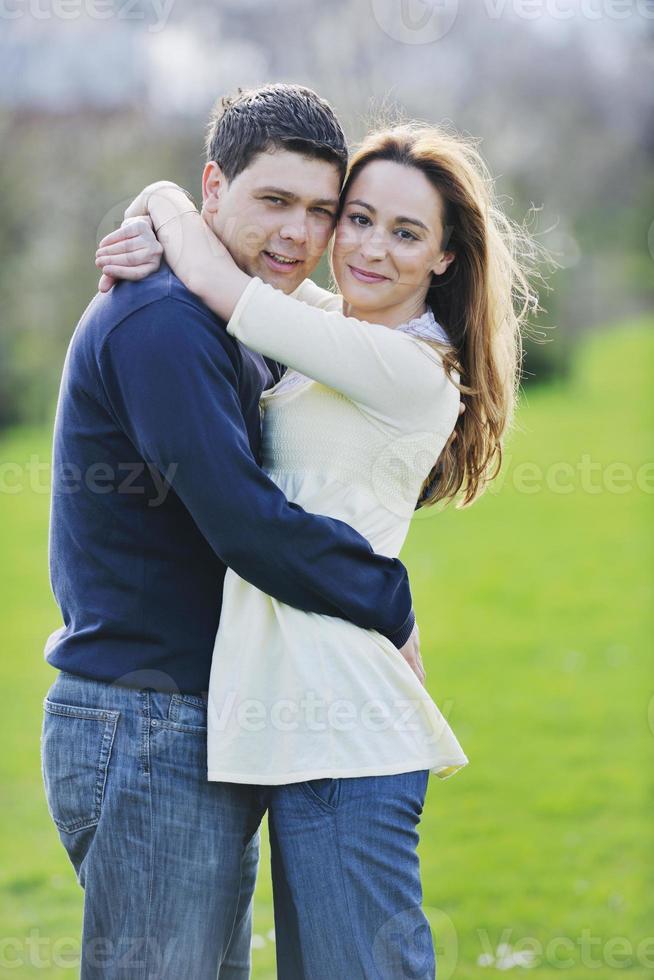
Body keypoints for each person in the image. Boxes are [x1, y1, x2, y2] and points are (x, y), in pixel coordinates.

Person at [95, 117, 540, 978]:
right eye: (358, 218)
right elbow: (227, 265)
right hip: (299, 727)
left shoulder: (411, 367)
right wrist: (156, 203)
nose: (370, 248)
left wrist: (160, 208)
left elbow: (230, 294)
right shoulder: (339, 327)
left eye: (407, 232)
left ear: (445, 257)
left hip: (346, 733)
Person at [40, 84, 428, 980]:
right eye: (274, 201)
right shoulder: (165, 321)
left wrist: (159, 204)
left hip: (199, 721)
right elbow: (243, 522)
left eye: (322, 211)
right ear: (215, 187)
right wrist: (388, 597)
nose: (299, 232)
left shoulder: (233, 312)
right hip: (144, 723)